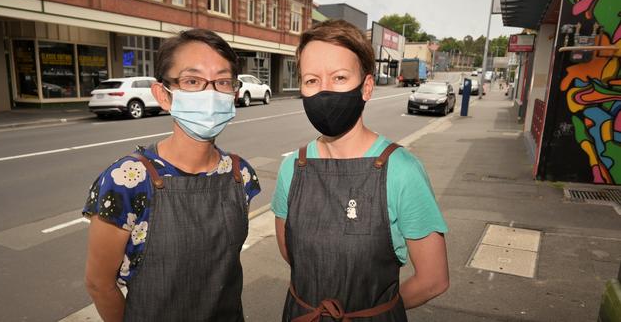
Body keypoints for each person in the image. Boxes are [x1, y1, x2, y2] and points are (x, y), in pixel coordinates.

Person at [272, 20, 449, 321]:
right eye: (311, 80)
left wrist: (374, 313)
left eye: (339, 78)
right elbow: (293, 257)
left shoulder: (401, 170)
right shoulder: (293, 168)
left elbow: (433, 280)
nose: (324, 91)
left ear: (366, 87)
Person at [83, 29, 260, 322]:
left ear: (234, 93)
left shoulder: (241, 175)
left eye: (223, 82)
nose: (211, 93)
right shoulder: (126, 180)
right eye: (192, 81)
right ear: (163, 95)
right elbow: (99, 284)